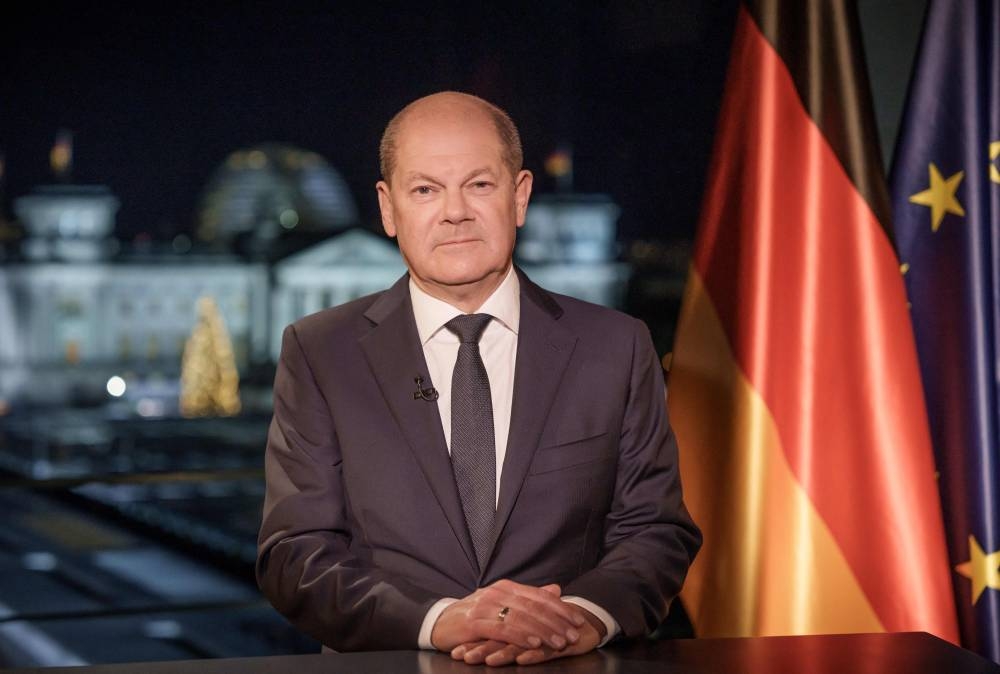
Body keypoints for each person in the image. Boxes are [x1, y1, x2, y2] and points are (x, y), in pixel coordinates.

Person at [256, 91, 701, 667]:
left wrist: (580, 618)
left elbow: (656, 531)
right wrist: (441, 621)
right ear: (388, 209)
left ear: (520, 196)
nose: (455, 212)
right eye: (425, 190)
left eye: (479, 185)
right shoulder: (320, 351)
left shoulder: (616, 346)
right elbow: (295, 555)